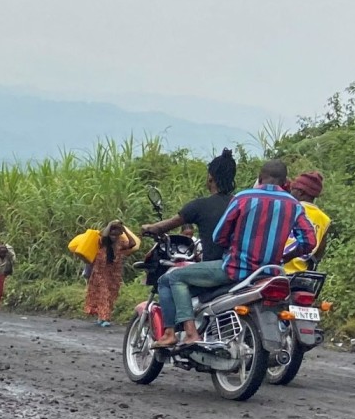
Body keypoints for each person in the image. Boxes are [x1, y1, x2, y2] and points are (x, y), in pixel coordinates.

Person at [152, 160, 316, 349]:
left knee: (174, 277)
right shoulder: (294, 205)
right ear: (285, 181)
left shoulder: (243, 197)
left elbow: (219, 235)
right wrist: (286, 256)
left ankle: (189, 333)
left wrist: (230, 244)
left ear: (260, 178)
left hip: (234, 269)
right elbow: (308, 242)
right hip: (270, 273)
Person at [141, 148, 238, 257]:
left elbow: (161, 227)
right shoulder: (240, 204)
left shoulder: (200, 206)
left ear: (210, 177)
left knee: (172, 274)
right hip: (238, 267)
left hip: (213, 268)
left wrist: (147, 228)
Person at [84, 221, 136, 327]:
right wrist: (110, 224)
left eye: (116, 235)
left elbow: (132, 243)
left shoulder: (120, 244)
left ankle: (101, 317)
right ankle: (104, 318)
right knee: (103, 294)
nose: (114, 237)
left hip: (113, 275)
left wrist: (124, 230)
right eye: (112, 234)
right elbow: (104, 235)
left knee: (111, 296)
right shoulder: (102, 242)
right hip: (100, 273)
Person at [283, 171, 331, 273]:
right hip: (300, 276)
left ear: (300, 192)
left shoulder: (288, 208)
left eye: (293, 189)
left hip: (277, 271)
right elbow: (318, 254)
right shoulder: (325, 220)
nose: (291, 192)